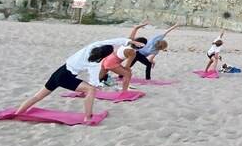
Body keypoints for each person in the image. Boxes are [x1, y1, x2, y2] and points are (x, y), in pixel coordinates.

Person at [14, 28, 145, 123]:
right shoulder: (93, 64)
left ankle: (17, 113)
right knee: (91, 89)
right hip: (66, 77)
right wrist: (98, 85)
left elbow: (112, 41)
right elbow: (94, 81)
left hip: (59, 71)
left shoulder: (91, 47)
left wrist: (130, 42)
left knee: (37, 96)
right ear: (104, 56)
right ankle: (87, 118)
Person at [97, 23, 149, 91]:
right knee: (128, 74)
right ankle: (124, 92)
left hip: (107, 58)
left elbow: (135, 29)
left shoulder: (129, 41)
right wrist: (129, 70)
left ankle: (88, 89)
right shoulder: (132, 52)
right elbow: (127, 67)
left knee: (100, 76)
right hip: (112, 62)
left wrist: (139, 26)